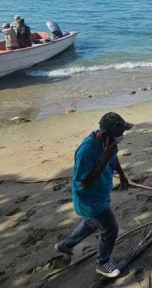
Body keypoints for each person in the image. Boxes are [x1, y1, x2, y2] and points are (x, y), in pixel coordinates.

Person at [55, 112, 134, 278]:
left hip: (101, 192)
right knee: (110, 228)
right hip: (89, 198)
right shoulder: (86, 151)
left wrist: (121, 174)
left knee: (92, 223)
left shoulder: (108, 142)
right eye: (120, 133)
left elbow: (113, 156)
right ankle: (102, 262)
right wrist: (104, 159)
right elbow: (84, 183)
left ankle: (66, 245)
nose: (122, 137)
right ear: (105, 133)